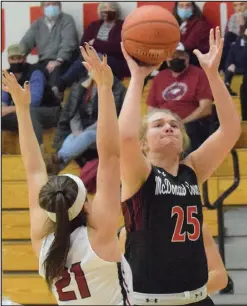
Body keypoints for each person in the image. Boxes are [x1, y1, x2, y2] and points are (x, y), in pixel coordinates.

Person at [2, 44, 133, 305]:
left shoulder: (43, 244)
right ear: (86, 203)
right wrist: (105, 88)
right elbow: (110, 156)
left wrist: (21, 109)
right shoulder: (100, 236)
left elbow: (34, 169)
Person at [119, 27, 241, 305]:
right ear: (143, 143)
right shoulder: (140, 174)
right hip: (150, 300)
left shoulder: (192, 170)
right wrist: (138, 77)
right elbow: (124, 137)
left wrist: (212, 74)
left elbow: (231, 129)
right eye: (158, 125)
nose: (169, 128)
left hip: (198, 299)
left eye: (174, 125)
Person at [118, 224, 228, 295]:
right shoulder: (127, 232)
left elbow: (220, 276)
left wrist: (183, 295)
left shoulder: (196, 227)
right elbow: (122, 283)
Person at [50, 74, 126, 174]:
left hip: (104, 131)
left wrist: (84, 132)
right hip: (81, 130)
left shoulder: (118, 89)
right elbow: (73, 113)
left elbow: (109, 119)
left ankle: (60, 159)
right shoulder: (81, 86)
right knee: (72, 136)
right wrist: (76, 130)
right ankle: (59, 161)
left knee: (88, 135)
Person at [147, 42, 213, 153]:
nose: (175, 59)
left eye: (179, 55)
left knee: (187, 132)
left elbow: (206, 108)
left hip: (191, 124)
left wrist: (181, 123)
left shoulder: (198, 74)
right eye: (172, 56)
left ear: (186, 57)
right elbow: (151, 109)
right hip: (165, 125)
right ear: (166, 60)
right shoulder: (159, 77)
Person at [54, 1, 129, 96]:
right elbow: (84, 45)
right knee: (86, 59)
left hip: (114, 62)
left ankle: (60, 86)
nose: (105, 11)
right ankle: (63, 88)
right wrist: (103, 46)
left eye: (108, 9)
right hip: (92, 60)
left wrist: (96, 43)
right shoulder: (94, 25)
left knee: (89, 59)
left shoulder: (122, 26)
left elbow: (118, 48)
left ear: (116, 10)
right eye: (102, 9)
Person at [2, 43, 61, 151]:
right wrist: (3, 107)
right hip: (21, 111)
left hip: (49, 111)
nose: (15, 61)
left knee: (31, 112)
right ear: (8, 59)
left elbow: (33, 102)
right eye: (12, 58)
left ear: (24, 58)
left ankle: (38, 153)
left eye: (19, 58)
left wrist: (9, 109)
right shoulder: (7, 75)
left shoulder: (35, 72)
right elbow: (3, 100)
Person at [20, 2, 78, 88]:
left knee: (54, 71)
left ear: (60, 6)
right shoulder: (37, 23)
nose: (51, 7)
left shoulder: (67, 20)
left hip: (62, 61)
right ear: (42, 8)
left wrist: (59, 60)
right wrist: (18, 56)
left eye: (54, 4)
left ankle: (54, 97)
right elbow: (26, 42)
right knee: (19, 70)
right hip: (43, 62)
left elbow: (68, 42)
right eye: (48, 4)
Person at [173, 1, 211, 67]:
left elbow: (190, 44)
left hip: (195, 62)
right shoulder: (174, 24)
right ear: (176, 8)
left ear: (193, 7)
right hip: (178, 59)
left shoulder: (200, 24)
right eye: (181, 6)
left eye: (188, 5)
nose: (184, 8)